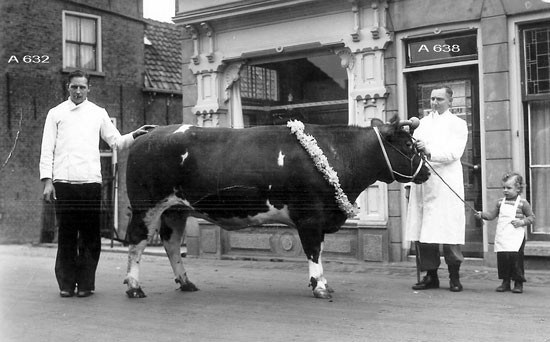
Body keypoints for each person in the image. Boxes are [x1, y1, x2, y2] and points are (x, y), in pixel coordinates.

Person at [40, 70, 155, 298]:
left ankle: (85, 284)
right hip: (64, 183)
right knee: (67, 236)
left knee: (91, 235)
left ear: (89, 88)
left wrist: (136, 135)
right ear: (68, 87)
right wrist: (47, 182)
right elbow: (47, 150)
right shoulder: (56, 114)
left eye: (82, 87)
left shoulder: (98, 113)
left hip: (91, 183)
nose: (78, 91)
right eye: (74, 87)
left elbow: (117, 141)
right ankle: (66, 284)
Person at [405, 85, 468, 292]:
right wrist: (408, 182)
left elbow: (454, 153)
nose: (434, 103)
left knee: (448, 231)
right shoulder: (421, 124)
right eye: (432, 99)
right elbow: (412, 156)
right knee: (425, 233)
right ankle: (431, 276)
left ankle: (454, 277)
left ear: (450, 101)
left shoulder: (458, 124)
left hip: (446, 184)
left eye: (439, 99)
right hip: (424, 183)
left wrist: (430, 151)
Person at [475, 172, 535, 293]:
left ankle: (518, 283)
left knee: (516, 259)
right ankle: (505, 281)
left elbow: (532, 218)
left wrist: (521, 222)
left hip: (516, 237)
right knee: (503, 259)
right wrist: (482, 215)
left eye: (509, 188)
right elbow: (492, 215)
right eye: (504, 188)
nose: (505, 190)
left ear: (518, 189)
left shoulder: (523, 203)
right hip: (503, 235)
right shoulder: (500, 202)